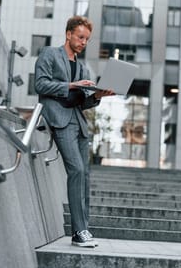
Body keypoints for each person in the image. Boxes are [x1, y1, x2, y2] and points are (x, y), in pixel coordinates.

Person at [34, 16, 114, 247]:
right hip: (59, 120)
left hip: (78, 123)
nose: (83, 42)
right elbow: (40, 84)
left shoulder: (83, 67)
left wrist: (98, 95)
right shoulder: (50, 54)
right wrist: (72, 85)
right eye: (80, 37)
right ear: (68, 34)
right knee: (76, 169)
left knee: (85, 176)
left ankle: (84, 230)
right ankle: (78, 231)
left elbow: (82, 102)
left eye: (86, 39)